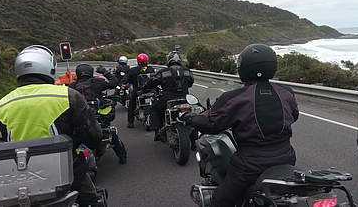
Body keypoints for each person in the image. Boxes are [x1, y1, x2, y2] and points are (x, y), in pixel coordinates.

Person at [183, 44, 299, 207]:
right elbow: (294, 116)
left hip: (249, 165)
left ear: (244, 68)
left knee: (220, 201)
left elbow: (212, 124)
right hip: (287, 157)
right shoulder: (286, 92)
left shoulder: (235, 97)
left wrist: (191, 119)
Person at [0, 45, 104, 205]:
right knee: (92, 201)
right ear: (49, 67)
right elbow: (94, 137)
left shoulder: (2, 104)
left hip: (21, 177)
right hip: (65, 171)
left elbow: (8, 140)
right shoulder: (68, 95)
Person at [70, 64, 127, 164]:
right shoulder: (97, 82)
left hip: (79, 118)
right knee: (110, 132)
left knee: (72, 135)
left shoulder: (72, 86)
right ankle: (122, 157)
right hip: (96, 115)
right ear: (90, 72)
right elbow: (114, 82)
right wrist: (105, 72)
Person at [143, 51, 194, 140]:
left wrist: (145, 87)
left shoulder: (164, 72)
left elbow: (152, 82)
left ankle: (158, 131)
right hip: (185, 98)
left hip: (168, 98)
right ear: (180, 60)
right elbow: (190, 83)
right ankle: (193, 139)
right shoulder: (187, 71)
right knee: (194, 113)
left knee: (154, 108)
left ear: (169, 60)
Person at [123, 53, 155, 128]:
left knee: (131, 105)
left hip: (138, 91)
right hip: (150, 90)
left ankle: (130, 122)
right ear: (147, 61)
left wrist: (125, 84)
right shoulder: (151, 69)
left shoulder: (133, 70)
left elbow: (128, 80)